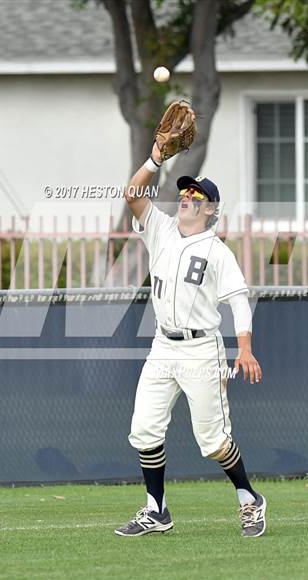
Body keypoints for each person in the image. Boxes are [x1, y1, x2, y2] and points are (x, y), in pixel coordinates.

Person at [114, 140, 265, 538]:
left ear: (211, 208)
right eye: (184, 192)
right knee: (144, 428)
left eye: (196, 194)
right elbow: (132, 194)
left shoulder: (217, 252)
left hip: (202, 348)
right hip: (162, 345)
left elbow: (238, 300)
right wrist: (155, 159)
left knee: (213, 440)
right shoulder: (161, 230)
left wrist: (245, 347)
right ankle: (156, 509)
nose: (187, 197)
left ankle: (249, 499)